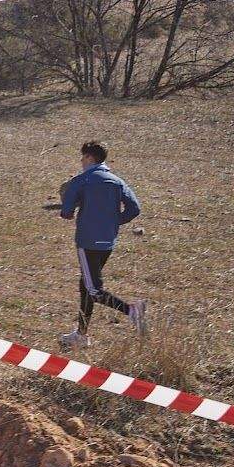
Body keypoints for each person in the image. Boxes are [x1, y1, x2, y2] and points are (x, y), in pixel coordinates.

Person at [57, 141, 146, 348]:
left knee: (93, 289)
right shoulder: (117, 181)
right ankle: (81, 335)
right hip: (108, 241)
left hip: (87, 241)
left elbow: (67, 211)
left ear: (89, 158)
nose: (81, 161)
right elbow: (135, 208)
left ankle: (132, 310)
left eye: (82, 158)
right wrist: (115, 221)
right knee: (85, 286)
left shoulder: (81, 180)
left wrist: (67, 211)